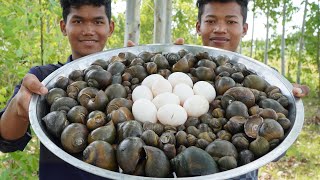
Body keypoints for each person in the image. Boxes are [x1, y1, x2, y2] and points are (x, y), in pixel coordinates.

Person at [0, 0, 116, 179]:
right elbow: (7, 139)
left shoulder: (122, 75)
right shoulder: (44, 78)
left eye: (98, 22)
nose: (88, 30)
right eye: (78, 21)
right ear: (63, 27)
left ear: (110, 28)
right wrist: (19, 107)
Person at [194, 0, 309, 179]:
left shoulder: (266, 78)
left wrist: (288, 98)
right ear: (198, 26)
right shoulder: (189, 68)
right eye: (211, 21)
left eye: (231, 21)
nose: (220, 28)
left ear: (245, 28)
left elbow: (277, 150)